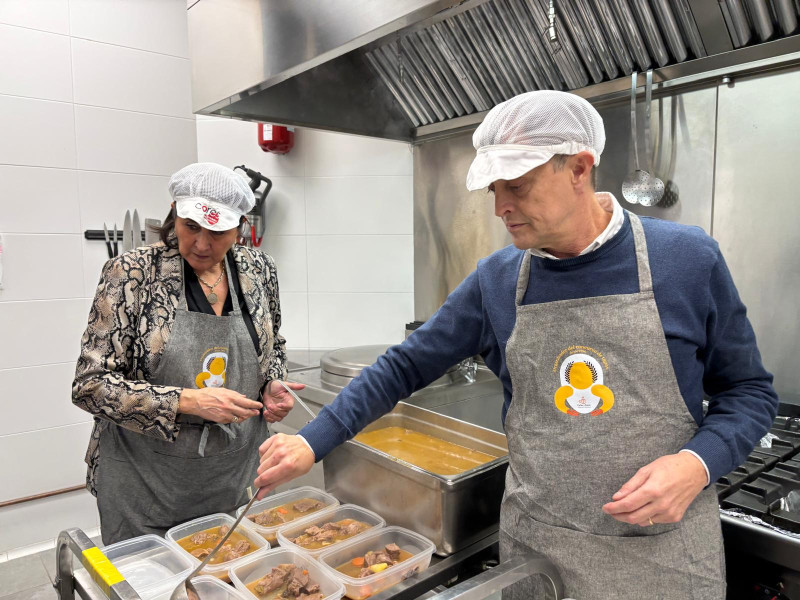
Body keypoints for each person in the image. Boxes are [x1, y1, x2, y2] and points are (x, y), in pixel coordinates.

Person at [252, 91, 779, 599]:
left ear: (579, 169)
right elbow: (403, 367)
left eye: (517, 186)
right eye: (493, 191)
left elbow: (750, 393)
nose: (501, 207)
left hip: (661, 558)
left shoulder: (685, 260)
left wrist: (697, 464)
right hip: (538, 554)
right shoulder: (497, 281)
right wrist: (311, 440)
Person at [73, 162, 303, 544]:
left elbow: (273, 342)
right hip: (146, 485)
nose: (201, 244)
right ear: (174, 214)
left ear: (241, 226)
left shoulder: (258, 269)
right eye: (191, 226)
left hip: (235, 477)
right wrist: (187, 401)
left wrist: (270, 382)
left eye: (217, 231)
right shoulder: (132, 274)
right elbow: (89, 385)